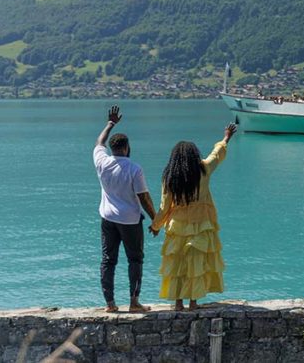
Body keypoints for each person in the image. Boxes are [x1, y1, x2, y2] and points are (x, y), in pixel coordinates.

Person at [150, 122, 238, 310]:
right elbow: (216, 156)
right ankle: (193, 302)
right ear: (194, 155)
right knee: (195, 265)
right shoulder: (203, 170)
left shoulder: (170, 178)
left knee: (177, 266)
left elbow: (164, 207)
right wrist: (226, 137)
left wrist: (155, 226)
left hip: (177, 226)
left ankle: (178, 302)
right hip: (200, 225)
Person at [93, 105, 157, 313]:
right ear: (127, 147)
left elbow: (99, 142)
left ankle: (110, 304)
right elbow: (144, 198)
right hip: (130, 221)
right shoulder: (134, 168)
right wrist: (156, 220)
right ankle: (133, 302)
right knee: (135, 259)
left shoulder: (102, 162)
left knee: (108, 260)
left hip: (108, 219)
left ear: (113, 148)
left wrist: (110, 123)